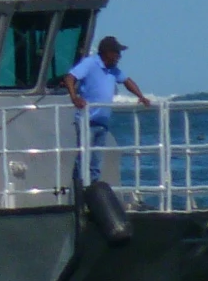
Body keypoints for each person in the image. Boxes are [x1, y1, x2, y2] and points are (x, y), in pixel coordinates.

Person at [62, 35, 148, 184]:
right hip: (86, 120)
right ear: (107, 52)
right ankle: (79, 193)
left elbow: (127, 81)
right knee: (83, 158)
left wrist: (141, 96)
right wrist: (74, 97)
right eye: (116, 52)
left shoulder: (113, 70)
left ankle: (92, 193)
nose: (119, 56)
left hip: (102, 122)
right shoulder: (90, 63)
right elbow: (70, 77)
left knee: (96, 162)